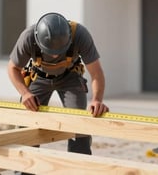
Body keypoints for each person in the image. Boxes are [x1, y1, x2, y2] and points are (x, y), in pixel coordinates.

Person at [8, 11, 109, 168]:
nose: (54, 57)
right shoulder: (28, 37)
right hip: (39, 77)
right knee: (28, 122)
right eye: (50, 52)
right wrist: (25, 93)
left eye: (58, 52)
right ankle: (24, 168)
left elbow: (96, 73)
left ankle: (79, 168)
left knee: (78, 124)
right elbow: (12, 68)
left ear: (68, 38)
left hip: (70, 77)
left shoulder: (80, 34)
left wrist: (97, 100)